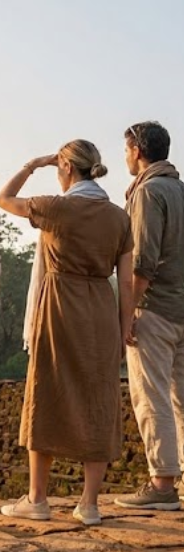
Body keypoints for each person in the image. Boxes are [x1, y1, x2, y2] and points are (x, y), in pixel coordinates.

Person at [0, 140, 133, 526]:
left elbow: (4, 199)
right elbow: (125, 283)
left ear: (67, 168)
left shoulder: (55, 208)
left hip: (59, 304)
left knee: (46, 391)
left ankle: (37, 498)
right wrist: (124, 331)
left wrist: (32, 163)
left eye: (58, 166)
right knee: (99, 398)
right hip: (101, 308)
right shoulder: (118, 218)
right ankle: (89, 504)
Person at [114, 122, 184, 511]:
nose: (125, 157)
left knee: (152, 395)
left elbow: (142, 264)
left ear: (137, 150)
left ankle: (161, 482)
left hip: (155, 308)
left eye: (126, 150)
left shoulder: (149, 191)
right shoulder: (180, 190)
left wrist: (127, 314)